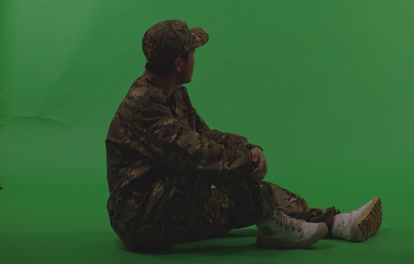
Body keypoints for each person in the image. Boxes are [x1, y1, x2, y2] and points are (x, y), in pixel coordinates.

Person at [105, 19, 382, 253]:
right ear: (179, 63)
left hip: (169, 205)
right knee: (207, 165)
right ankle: (274, 225)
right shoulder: (144, 105)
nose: (195, 59)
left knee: (239, 197)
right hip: (140, 219)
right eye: (193, 53)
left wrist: (248, 149)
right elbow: (195, 154)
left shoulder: (174, 94)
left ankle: (336, 224)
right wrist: (244, 160)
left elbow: (205, 134)